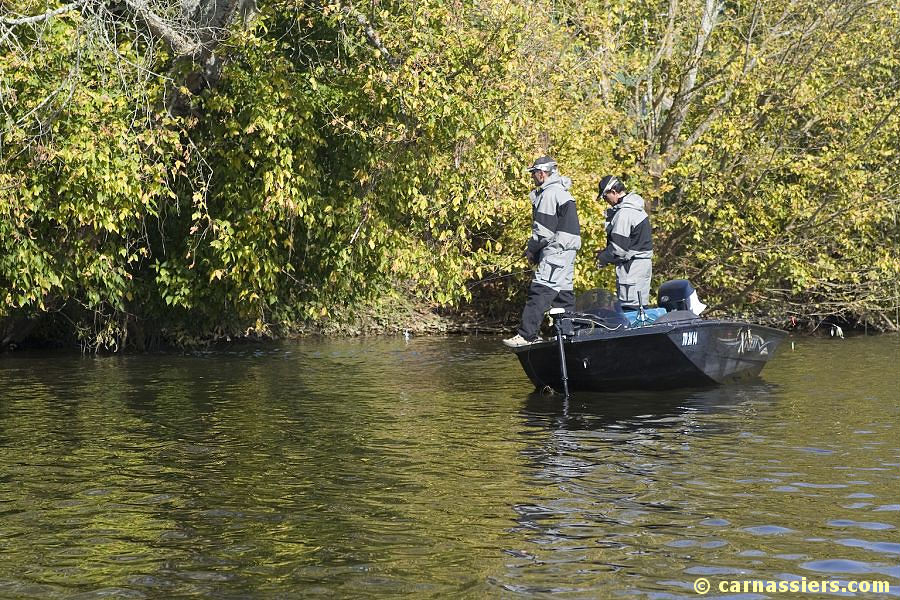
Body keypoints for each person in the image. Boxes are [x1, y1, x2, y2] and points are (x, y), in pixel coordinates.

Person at [503, 156, 581, 348]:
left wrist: (532, 251)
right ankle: (566, 335)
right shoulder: (562, 192)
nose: (532, 177)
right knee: (563, 294)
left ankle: (527, 336)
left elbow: (543, 232)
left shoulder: (549, 194)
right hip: (567, 251)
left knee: (540, 289)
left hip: (557, 250)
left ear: (542, 173)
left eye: (533, 173)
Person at [595, 175, 653, 309]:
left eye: (605, 197)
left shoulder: (624, 213)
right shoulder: (636, 209)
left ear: (613, 192)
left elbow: (618, 248)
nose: (606, 201)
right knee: (640, 307)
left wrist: (603, 257)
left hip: (632, 269)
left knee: (630, 308)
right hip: (641, 266)